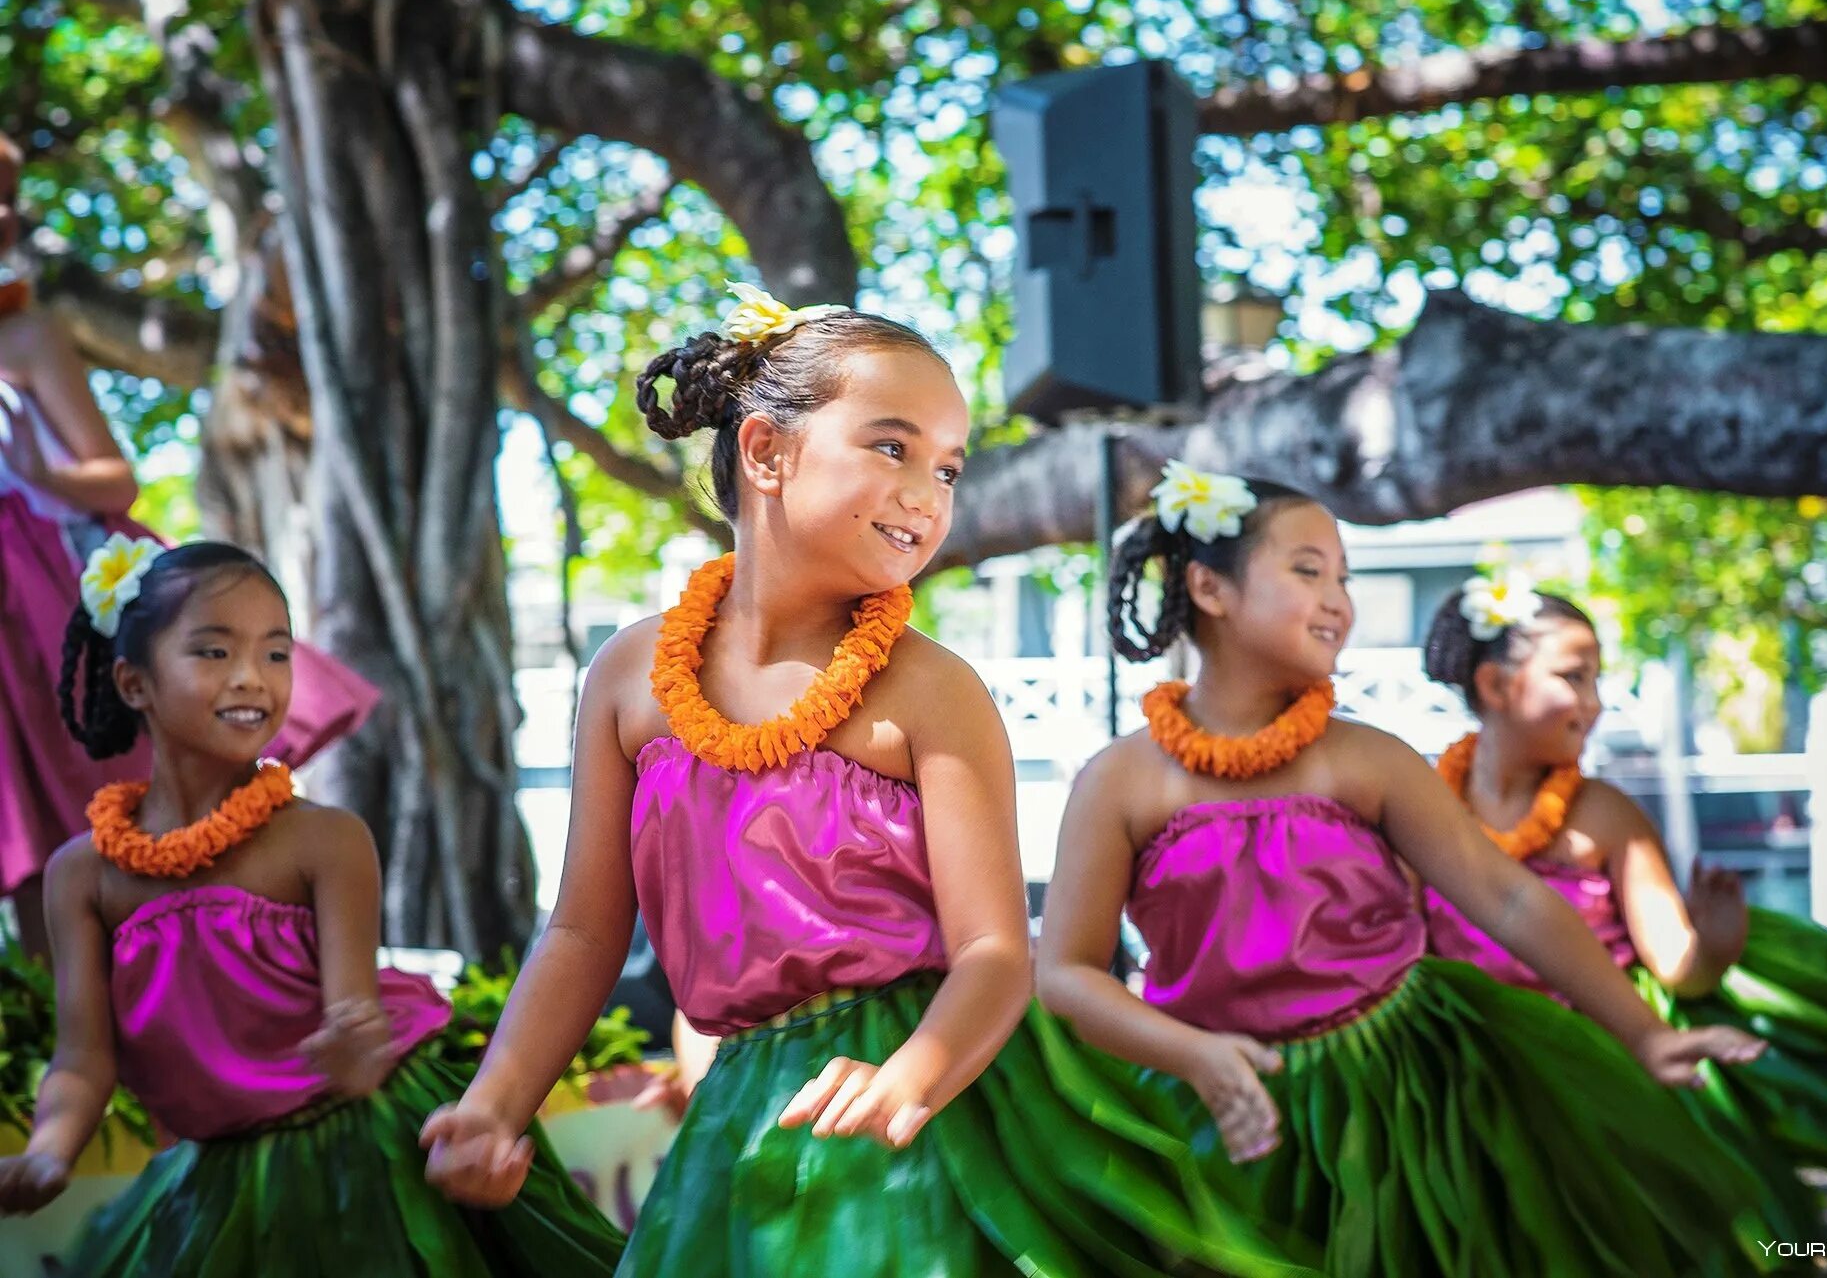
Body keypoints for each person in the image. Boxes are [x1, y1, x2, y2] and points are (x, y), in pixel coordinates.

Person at [421, 285, 1319, 1277]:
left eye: (947, 466)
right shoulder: (630, 680)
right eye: (892, 447)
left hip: (924, 1094)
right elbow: (585, 934)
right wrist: (495, 1103)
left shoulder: (933, 692)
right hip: (748, 1100)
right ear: (765, 452)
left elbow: (993, 953)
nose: (928, 493)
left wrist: (913, 1081)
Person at [1033, 464, 1774, 1277]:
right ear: (1210, 588)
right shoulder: (1118, 781)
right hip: (1216, 1096)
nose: (1338, 599)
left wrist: (1646, 1034)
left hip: (1403, 1099)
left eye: (1344, 577)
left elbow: (1509, 898)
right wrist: (1193, 1055)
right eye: (1308, 570)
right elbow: (1066, 971)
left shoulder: (1370, 759)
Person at [0, 538, 625, 1275]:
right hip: (219, 1175)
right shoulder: (85, 876)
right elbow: (83, 1058)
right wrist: (48, 1150)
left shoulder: (323, 841)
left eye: (275, 653)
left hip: (362, 1148)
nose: (251, 679)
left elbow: (351, 1015)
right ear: (134, 683)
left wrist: (357, 1045)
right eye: (212, 652)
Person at [1422, 573, 1827, 1219]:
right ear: (1494, 685)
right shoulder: (1426, 805)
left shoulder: (1604, 813)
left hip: (1602, 1077)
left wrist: (1713, 945)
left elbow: (1677, 968)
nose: (1595, 702)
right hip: (1470, 1085)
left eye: (1597, 679)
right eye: (1574, 676)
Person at [0, 135, 377, 956]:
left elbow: (114, 479)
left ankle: (173, 976)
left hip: (34, 588)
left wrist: (38, 470)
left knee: (73, 794)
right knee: (12, 819)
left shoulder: (28, 338)